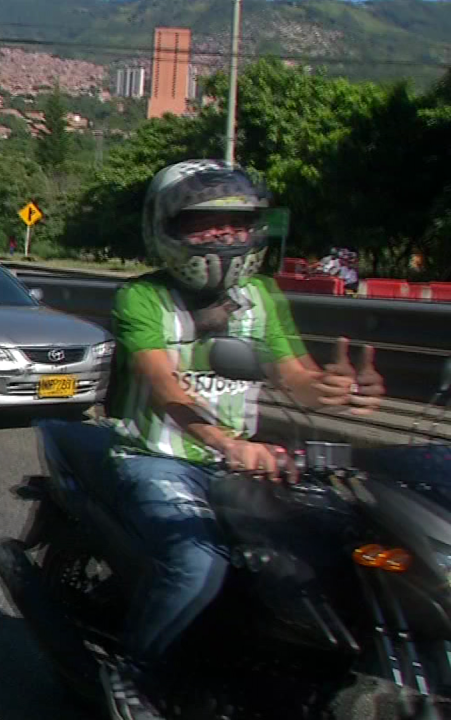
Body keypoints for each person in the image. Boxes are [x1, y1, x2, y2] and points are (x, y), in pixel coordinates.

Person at [37, 160, 384, 720]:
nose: (223, 235)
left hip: (240, 466)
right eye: (203, 223)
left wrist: (340, 390)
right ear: (166, 229)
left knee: (324, 546)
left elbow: (295, 378)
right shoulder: (143, 299)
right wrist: (228, 443)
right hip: (156, 458)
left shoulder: (263, 296)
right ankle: (139, 673)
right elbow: (164, 388)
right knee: (197, 561)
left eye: (235, 223)